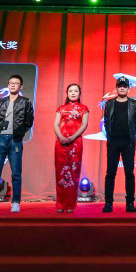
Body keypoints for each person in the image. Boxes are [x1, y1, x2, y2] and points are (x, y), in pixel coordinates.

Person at [0, 74, 34, 213]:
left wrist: (19, 133)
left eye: (16, 83)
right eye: (11, 83)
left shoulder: (26, 102)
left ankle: (15, 203)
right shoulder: (1, 102)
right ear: (8, 85)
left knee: (16, 173)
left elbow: (29, 121)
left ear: (21, 86)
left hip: (15, 140)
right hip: (0, 140)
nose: (13, 85)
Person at [102, 76, 136, 213]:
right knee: (110, 173)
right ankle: (108, 203)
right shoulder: (109, 104)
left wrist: (131, 133)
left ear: (128, 89)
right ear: (116, 88)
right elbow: (106, 121)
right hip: (113, 142)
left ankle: (130, 203)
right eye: (120, 86)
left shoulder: (134, 104)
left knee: (129, 173)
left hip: (128, 142)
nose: (122, 88)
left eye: (125, 86)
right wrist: (111, 135)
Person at [54, 84, 89, 213]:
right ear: (67, 93)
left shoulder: (84, 108)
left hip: (76, 142)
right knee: (60, 173)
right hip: (61, 142)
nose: (73, 93)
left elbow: (84, 124)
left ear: (79, 94)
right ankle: (60, 205)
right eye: (70, 91)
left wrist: (74, 136)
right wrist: (60, 137)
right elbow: (56, 124)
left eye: (76, 91)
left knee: (74, 173)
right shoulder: (61, 108)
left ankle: (70, 205)